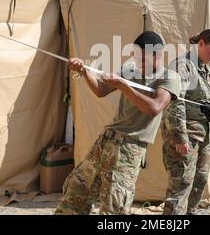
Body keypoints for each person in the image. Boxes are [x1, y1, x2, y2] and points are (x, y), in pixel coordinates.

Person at [55, 31, 181, 215]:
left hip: (130, 148)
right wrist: (84, 71)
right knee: (76, 191)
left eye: (143, 59)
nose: (139, 63)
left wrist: (123, 85)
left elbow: (154, 108)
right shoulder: (130, 68)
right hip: (107, 141)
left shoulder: (169, 78)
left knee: (114, 204)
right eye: (136, 57)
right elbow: (101, 90)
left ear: (158, 55)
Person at [162, 29, 210, 215]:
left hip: (207, 135)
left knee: (199, 181)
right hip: (187, 135)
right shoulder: (182, 66)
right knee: (182, 182)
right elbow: (174, 102)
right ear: (200, 44)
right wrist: (179, 137)